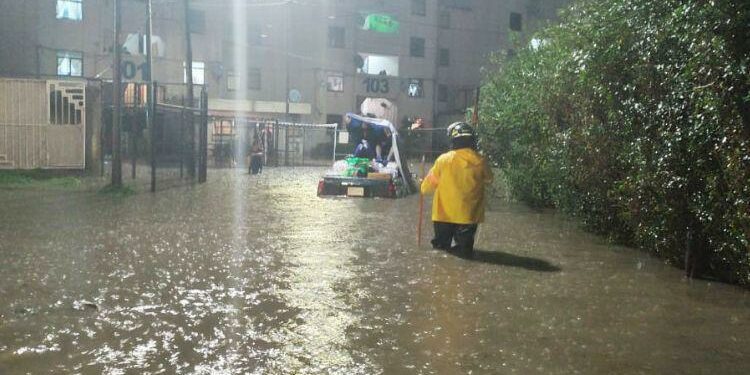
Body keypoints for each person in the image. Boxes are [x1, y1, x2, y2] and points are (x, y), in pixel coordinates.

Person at [420, 122, 493, 258]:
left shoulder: (443, 160)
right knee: (464, 253)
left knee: (440, 251)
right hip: (469, 216)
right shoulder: (481, 161)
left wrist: (423, 185)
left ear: (453, 140)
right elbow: (489, 179)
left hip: (443, 215)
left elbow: (427, 187)